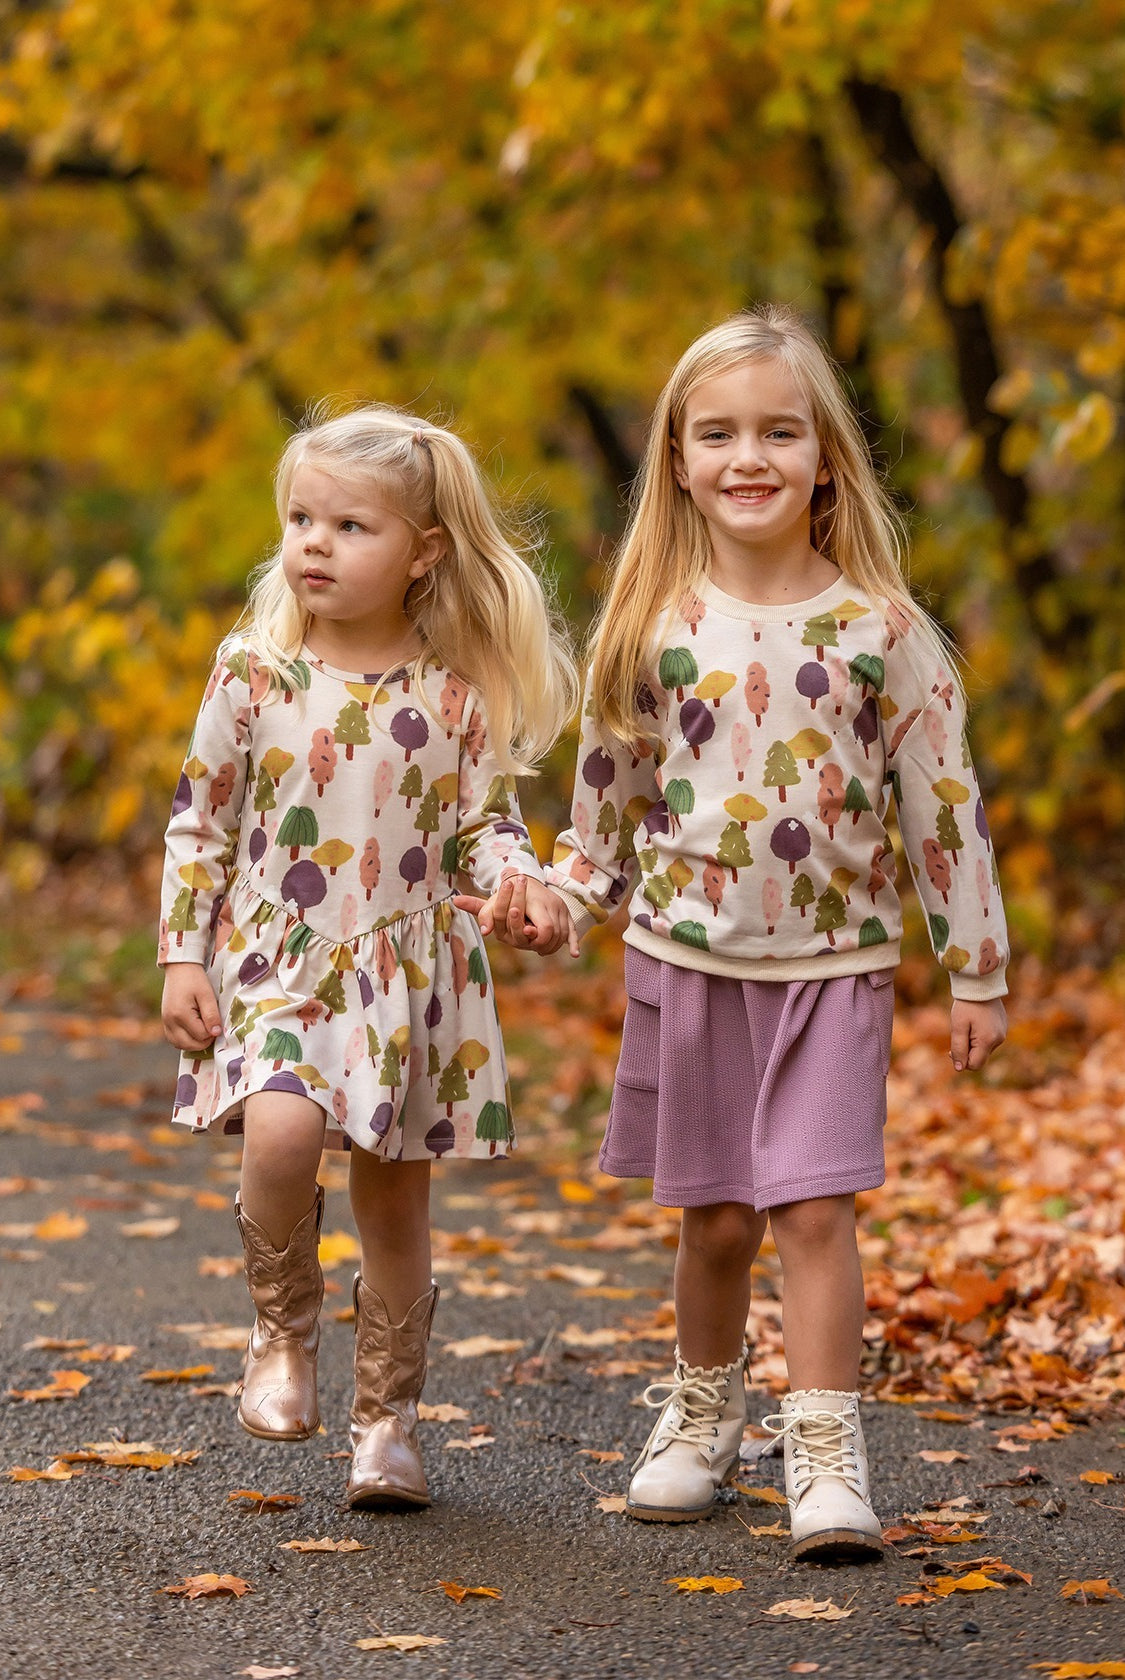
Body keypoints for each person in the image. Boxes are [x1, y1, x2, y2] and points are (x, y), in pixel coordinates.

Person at [472, 306, 1009, 1560]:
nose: (747, 456)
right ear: (676, 457)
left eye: (779, 430)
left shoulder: (886, 634)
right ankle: (702, 1417)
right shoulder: (651, 631)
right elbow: (609, 811)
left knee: (816, 1210)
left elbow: (946, 811)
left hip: (836, 967)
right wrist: (558, 898)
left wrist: (976, 970)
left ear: (829, 456)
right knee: (714, 1216)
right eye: (717, 433)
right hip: (688, 959)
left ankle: (827, 1450)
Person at [159, 403, 576, 1511]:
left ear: (423, 553)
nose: (314, 543)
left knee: (396, 1205)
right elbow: (198, 822)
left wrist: (515, 889)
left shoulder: (454, 692)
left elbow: (485, 827)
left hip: (408, 973)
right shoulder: (253, 673)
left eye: (350, 525)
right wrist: (181, 957)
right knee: (285, 1129)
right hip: (281, 961)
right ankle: (283, 1329)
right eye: (301, 518)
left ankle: (388, 1421)